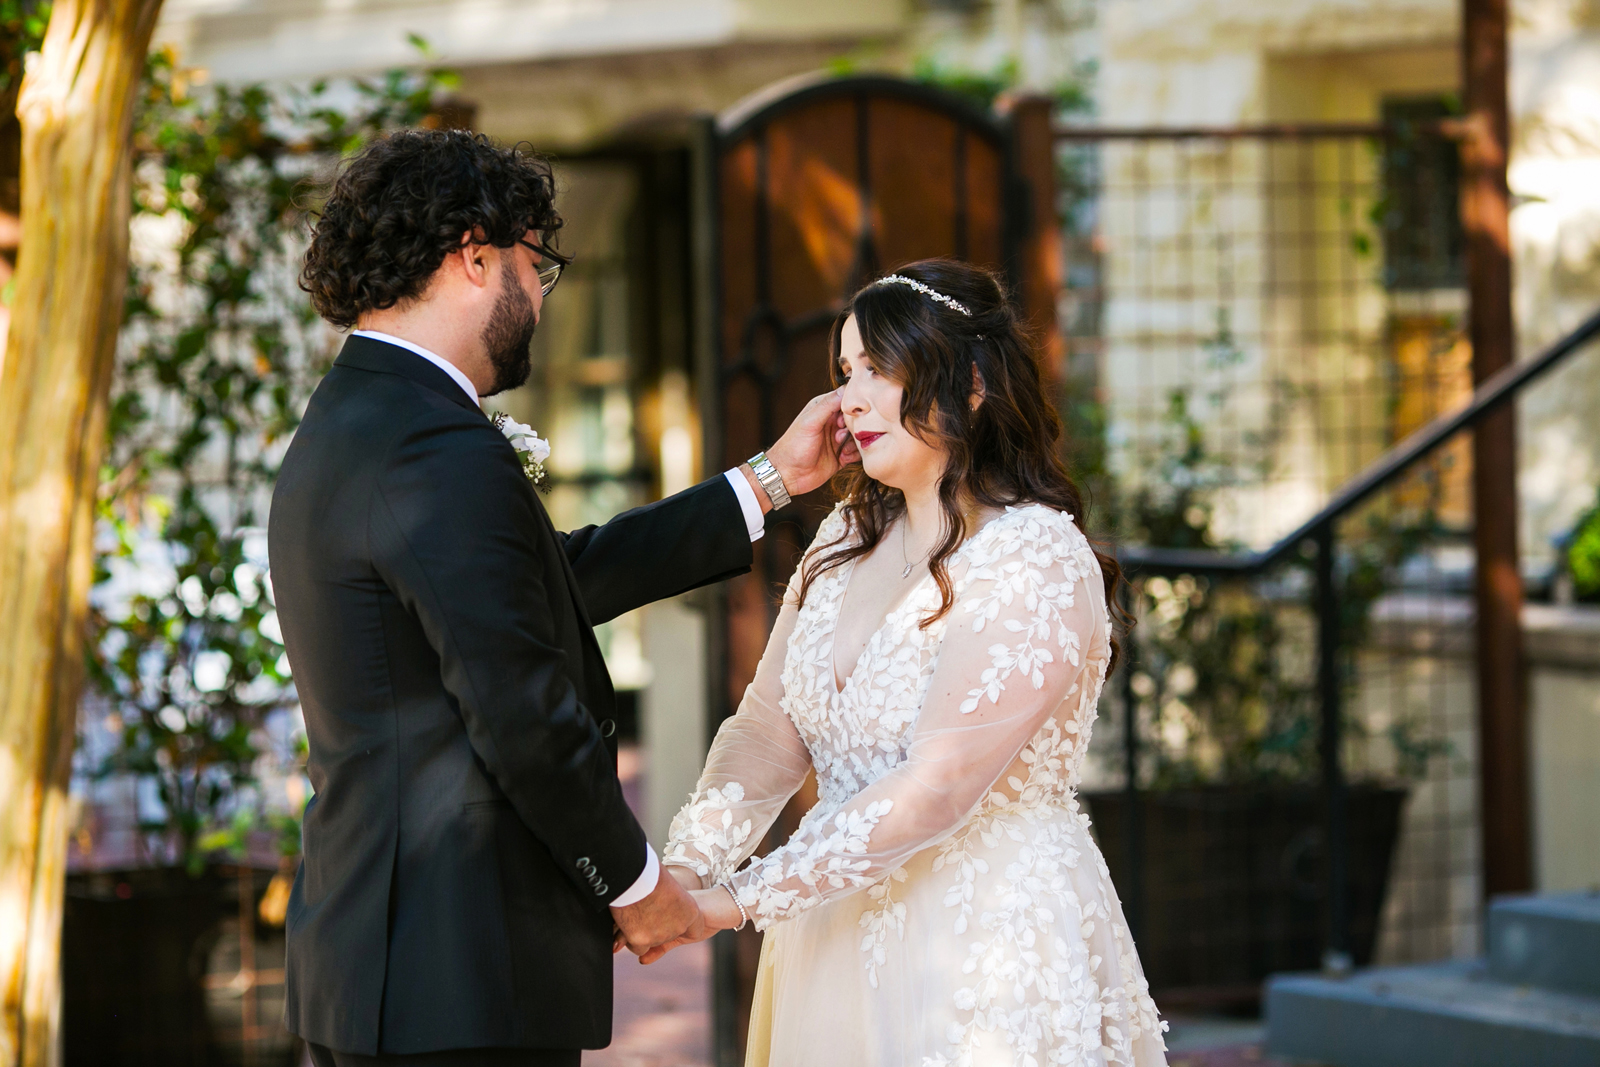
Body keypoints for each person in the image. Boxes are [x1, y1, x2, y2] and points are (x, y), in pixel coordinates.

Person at [269, 128, 855, 1067]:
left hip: (379, 961)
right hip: (461, 980)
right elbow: (524, 716)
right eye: (536, 265)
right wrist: (636, 885)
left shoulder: (353, 420)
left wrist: (770, 480)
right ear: (474, 255)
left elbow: (538, 586)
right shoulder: (434, 449)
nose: (541, 296)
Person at [659, 259, 1169, 1066]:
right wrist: (686, 871)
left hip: (983, 946)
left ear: (972, 383)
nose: (849, 399)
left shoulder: (1034, 555)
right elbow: (766, 731)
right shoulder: (840, 541)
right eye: (845, 372)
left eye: (879, 368)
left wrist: (733, 900)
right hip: (831, 934)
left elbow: (938, 787)